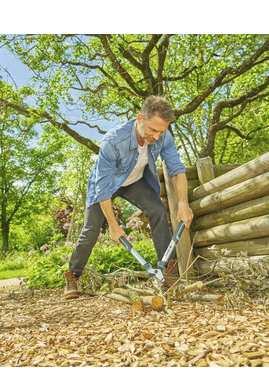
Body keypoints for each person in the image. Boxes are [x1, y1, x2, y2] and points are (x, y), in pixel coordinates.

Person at [64, 95, 194, 299]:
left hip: (134, 182)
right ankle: (73, 275)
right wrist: (114, 227)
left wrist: (183, 204)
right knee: (91, 229)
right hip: (106, 185)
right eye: (153, 130)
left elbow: (177, 170)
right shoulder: (114, 141)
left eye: (162, 131)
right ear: (140, 119)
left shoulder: (164, 137)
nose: (158, 136)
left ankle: (168, 270)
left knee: (158, 210)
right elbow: (104, 187)